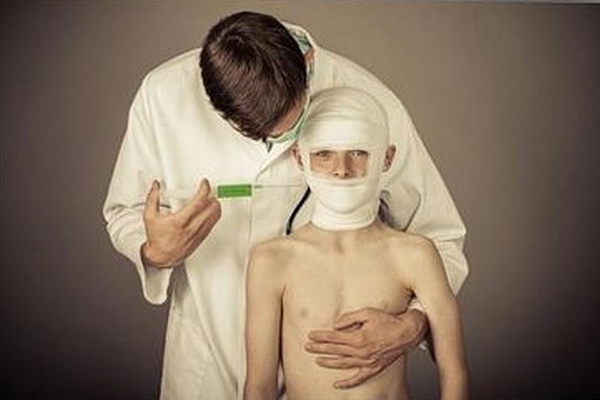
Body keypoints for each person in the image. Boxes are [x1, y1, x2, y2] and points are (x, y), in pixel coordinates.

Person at [103, 11, 469, 400]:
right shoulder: (164, 95)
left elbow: (439, 237)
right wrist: (153, 251)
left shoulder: (369, 102)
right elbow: (125, 210)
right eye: (256, 132)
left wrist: (414, 323)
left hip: (341, 370)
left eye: (289, 128)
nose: (275, 142)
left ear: (307, 66)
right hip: (207, 362)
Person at [244, 87, 468, 400]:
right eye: (324, 154)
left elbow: (454, 373)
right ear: (299, 158)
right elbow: (259, 387)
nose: (341, 170)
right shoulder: (272, 261)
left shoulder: (415, 255)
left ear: (387, 158)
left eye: (359, 153)